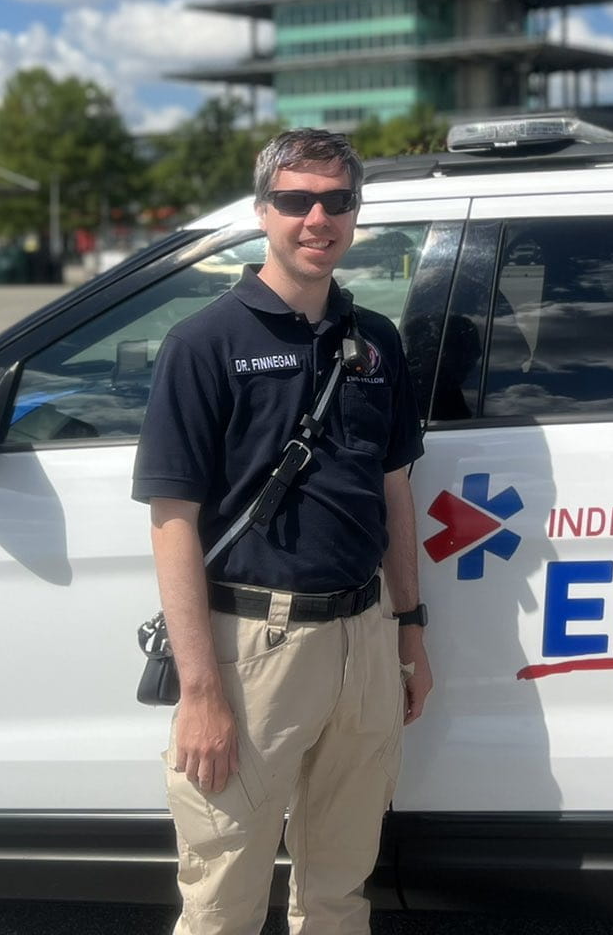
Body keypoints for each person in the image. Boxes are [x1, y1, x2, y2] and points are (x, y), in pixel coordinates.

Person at [134, 127, 433, 935]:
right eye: (297, 200)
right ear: (265, 210)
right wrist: (200, 694)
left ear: (354, 214)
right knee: (223, 898)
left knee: (339, 893)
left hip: (363, 642)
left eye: (337, 202)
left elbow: (395, 490)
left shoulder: (376, 342)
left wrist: (408, 629)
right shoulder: (204, 345)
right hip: (252, 654)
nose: (317, 219)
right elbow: (173, 525)